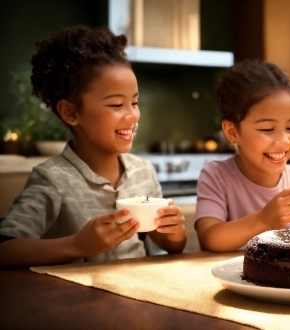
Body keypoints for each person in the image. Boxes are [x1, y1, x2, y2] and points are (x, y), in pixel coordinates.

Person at [0, 26, 187, 268]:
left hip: (140, 296)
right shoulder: (53, 179)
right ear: (70, 112)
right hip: (79, 302)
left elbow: (169, 245)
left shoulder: (143, 171)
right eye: (117, 105)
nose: (133, 116)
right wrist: (77, 245)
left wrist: (174, 234)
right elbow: (5, 249)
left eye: (135, 102)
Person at [195, 59, 290, 252]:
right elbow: (209, 238)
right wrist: (263, 219)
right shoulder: (217, 176)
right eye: (267, 129)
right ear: (232, 132)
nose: (283, 141)